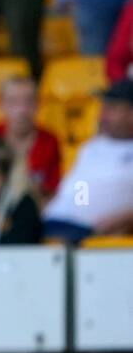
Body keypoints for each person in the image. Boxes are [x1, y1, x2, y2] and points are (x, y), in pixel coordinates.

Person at [43, 80, 133, 243]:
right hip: (56, 223)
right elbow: (80, 189)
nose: (102, 115)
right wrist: (76, 206)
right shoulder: (92, 147)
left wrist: (128, 217)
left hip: (92, 235)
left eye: (112, 108)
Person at [0, 76, 62, 199]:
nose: (22, 110)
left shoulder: (50, 141)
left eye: (28, 101)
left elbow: (52, 192)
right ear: (1, 105)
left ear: (38, 104)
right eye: (13, 102)